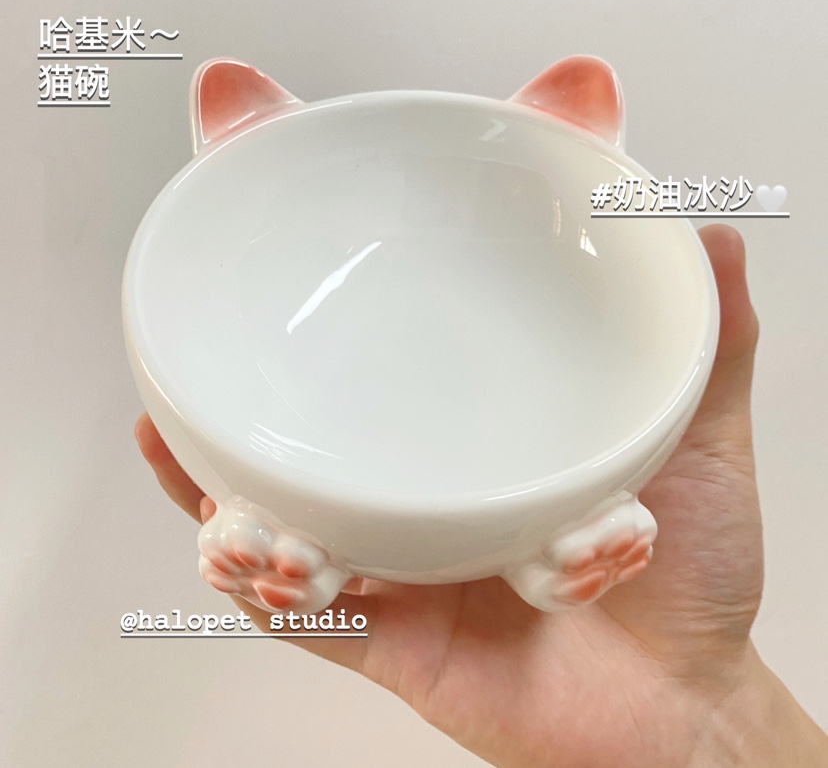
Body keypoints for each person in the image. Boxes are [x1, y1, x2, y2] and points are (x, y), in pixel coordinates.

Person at [135, 225, 828, 767]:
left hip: (556, 484)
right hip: (520, 487)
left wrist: (700, 710)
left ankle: (291, 539)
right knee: (561, 522)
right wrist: (706, 722)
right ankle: (557, 543)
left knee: (281, 525)